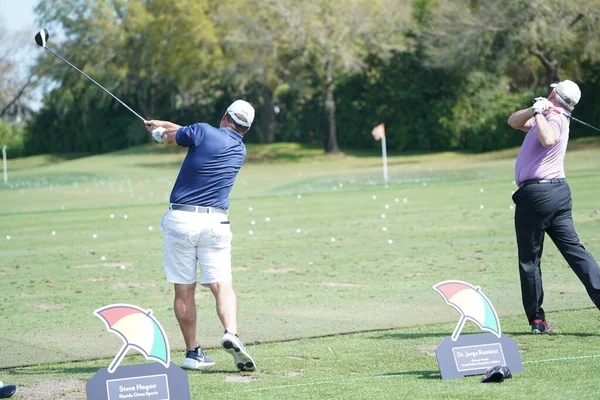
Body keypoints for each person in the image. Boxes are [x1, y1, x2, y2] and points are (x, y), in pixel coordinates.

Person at [144, 100, 256, 371]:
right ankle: (231, 333)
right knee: (222, 285)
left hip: (181, 220)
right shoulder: (239, 148)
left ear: (224, 115)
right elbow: (193, 133)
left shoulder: (204, 132)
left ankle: (193, 353)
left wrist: (159, 133)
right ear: (246, 129)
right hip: (216, 223)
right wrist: (162, 122)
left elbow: (174, 138)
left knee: (184, 290)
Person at [508, 80, 600, 334]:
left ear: (554, 94)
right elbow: (513, 122)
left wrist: (539, 112)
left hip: (538, 195)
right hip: (557, 193)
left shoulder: (555, 119)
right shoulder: (549, 115)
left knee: (529, 260)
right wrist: (533, 110)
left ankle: (537, 319)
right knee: (576, 253)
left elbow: (548, 139)